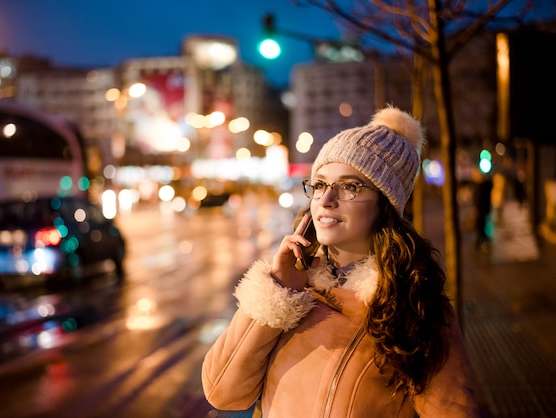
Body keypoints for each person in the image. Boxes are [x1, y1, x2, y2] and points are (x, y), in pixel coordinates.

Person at [201, 106, 480, 417]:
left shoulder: (416, 307)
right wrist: (277, 292)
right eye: (319, 184)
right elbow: (222, 393)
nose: (325, 199)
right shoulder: (290, 290)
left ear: (385, 204)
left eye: (350, 187)